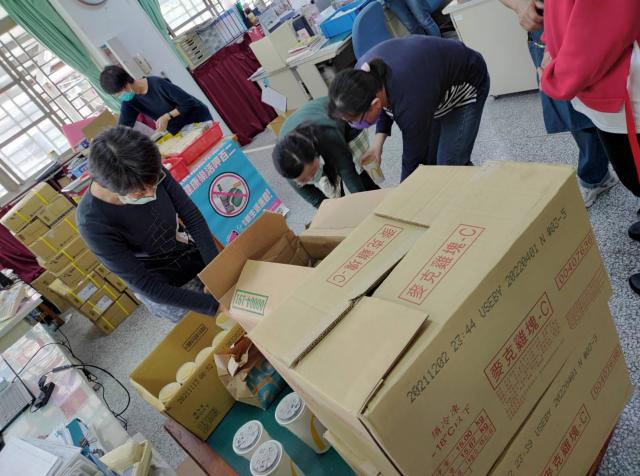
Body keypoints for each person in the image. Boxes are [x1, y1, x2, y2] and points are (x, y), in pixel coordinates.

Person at [540, 0, 640, 295]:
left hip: (618, 75)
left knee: (634, 174)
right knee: (631, 170)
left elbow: (602, 27)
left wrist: (558, 75)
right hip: (604, 73)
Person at [77, 126, 219, 322]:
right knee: (205, 327)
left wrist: (215, 270)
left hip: (192, 256)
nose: (152, 193)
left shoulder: (146, 169)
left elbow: (191, 216)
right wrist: (213, 306)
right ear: (109, 187)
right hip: (166, 288)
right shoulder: (92, 223)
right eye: (140, 193)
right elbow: (146, 285)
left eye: (154, 184)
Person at [500, 0, 618, 208]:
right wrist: (519, 5)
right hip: (546, 24)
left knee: (623, 103)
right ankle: (596, 177)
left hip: (603, 17)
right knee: (574, 114)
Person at [328, 36, 489, 181]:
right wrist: (377, 144)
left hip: (466, 85)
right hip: (431, 89)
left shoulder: (410, 101)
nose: (353, 125)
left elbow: (413, 160)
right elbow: (383, 103)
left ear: (374, 105)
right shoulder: (361, 76)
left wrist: (401, 195)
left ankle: (484, 189)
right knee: (431, 161)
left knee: (449, 165)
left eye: (355, 120)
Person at [273, 97, 379, 208]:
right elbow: (317, 201)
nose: (311, 179)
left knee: (362, 179)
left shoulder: (328, 134)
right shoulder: (286, 166)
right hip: (317, 135)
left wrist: (365, 205)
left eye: (313, 172)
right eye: (303, 180)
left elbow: (348, 172)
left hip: (343, 121)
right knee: (334, 196)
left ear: (315, 154)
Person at [99, 65, 212, 135]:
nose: (120, 97)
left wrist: (167, 117)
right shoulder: (129, 101)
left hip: (198, 119)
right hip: (180, 129)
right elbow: (122, 128)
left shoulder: (157, 83)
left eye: (119, 93)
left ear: (126, 84)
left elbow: (188, 103)